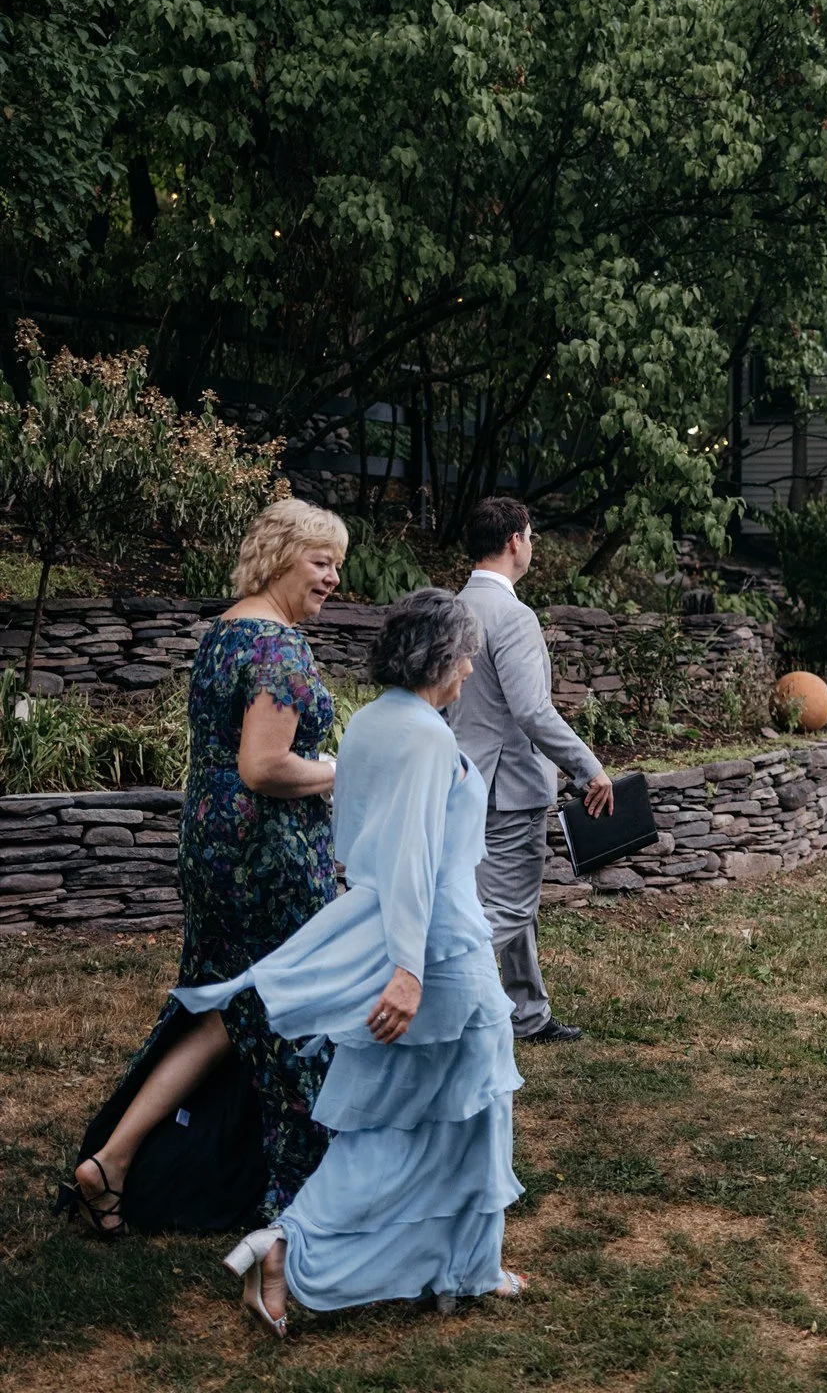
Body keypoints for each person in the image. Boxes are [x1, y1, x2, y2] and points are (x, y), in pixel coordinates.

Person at [178, 588, 526, 1334]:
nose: (469, 665)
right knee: (461, 1114)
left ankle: (462, 1265)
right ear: (439, 656)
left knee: (436, 1121)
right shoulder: (428, 737)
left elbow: (358, 843)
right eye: (464, 652)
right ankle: (290, 1243)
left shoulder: (371, 722)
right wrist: (408, 969)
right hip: (440, 947)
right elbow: (411, 858)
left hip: (413, 938)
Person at [65, 499, 349, 1237]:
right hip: (269, 860)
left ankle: (118, 1160)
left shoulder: (226, 630)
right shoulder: (279, 648)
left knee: (226, 1007)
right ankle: (296, 1199)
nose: (333, 579)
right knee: (291, 1009)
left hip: (214, 848)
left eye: (336, 564)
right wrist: (338, 770)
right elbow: (263, 766)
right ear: (283, 555)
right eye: (321, 562)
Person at [445, 498, 613, 1044]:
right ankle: (426, 995)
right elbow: (532, 710)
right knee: (511, 906)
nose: (533, 545)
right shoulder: (513, 616)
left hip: (461, 779)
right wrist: (589, 769)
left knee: (496, 901)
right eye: (532, 536)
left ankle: (527, 1013)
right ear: (515, 541)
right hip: (509, 787)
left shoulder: (450, 609)